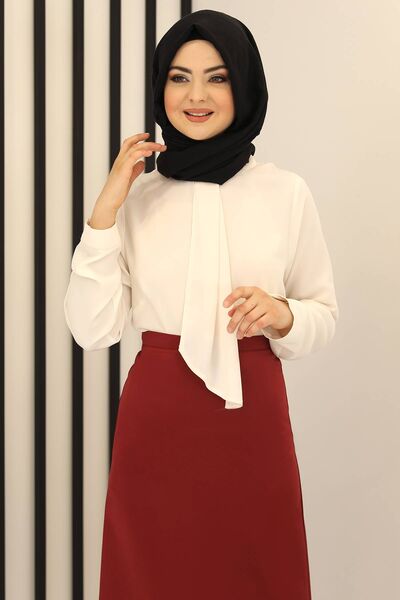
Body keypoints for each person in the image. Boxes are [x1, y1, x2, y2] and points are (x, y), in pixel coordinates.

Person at [64, 9, 338, 599]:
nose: (196, 96)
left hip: (253, 411)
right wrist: (105, 210)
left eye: (217, 78)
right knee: (153, 572)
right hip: (157, 417)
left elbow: (323, 315)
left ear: (245, 84)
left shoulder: (285, 192)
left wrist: (283, 314)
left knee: (260, 569)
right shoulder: (138, 196)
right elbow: (92, 328)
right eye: (179, 78)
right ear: (160, 87)